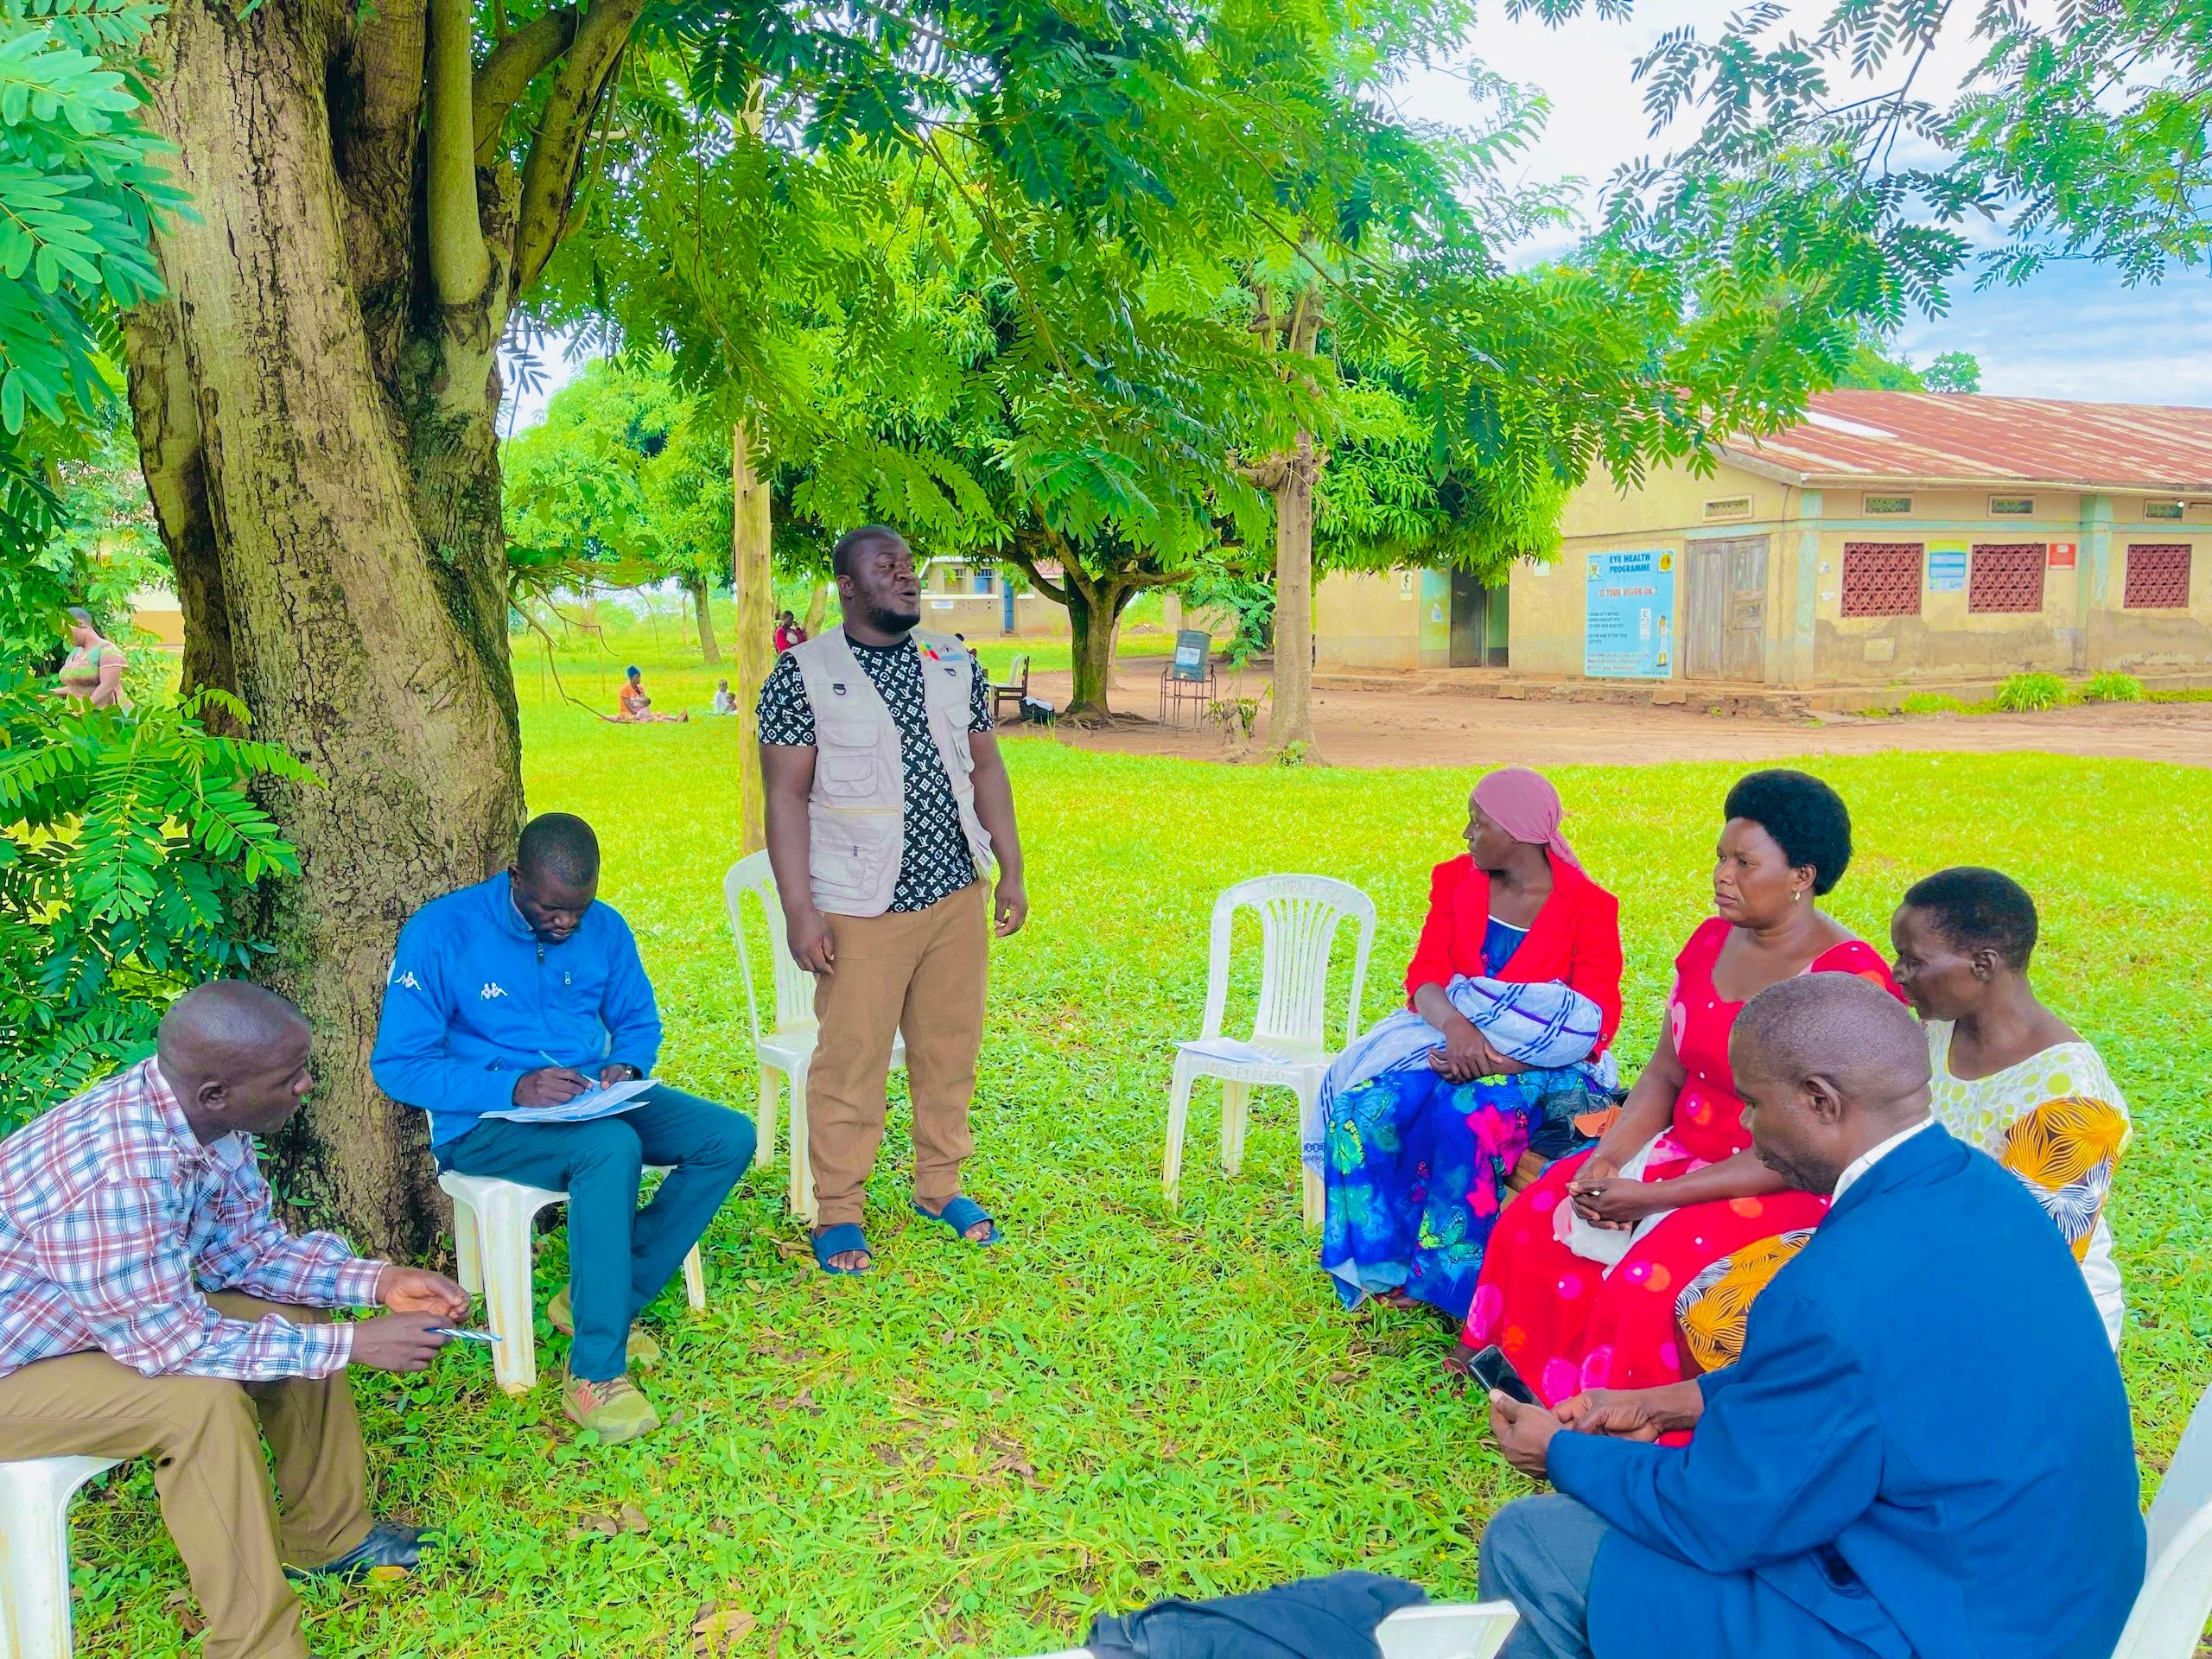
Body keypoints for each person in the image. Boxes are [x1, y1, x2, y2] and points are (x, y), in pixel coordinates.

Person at [1478, 972, 2144, 1659]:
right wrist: (1673, 1404)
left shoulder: (1828, 1286)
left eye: (1754, 1104)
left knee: (1533, 1540)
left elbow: (1723, 1517)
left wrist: (1561, 1453)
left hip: (1951, 1624)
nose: (1744, 1125)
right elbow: (1872, 1377)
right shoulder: (1989, 1192)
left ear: (1820, 1102)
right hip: (2066, 1589)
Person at [0, 982, 474, 1659]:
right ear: (216, 1092)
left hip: (91, 1329)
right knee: (194, 1404)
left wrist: (380, 1282)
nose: (306, 1086)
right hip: (15, 1371)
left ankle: (327, 1536)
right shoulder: (119, 1170)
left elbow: (246, 1252)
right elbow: (171, 1345)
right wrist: (350, 1343)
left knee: (292, 1315)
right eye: (290, 1078)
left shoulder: (206, 1121)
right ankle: (257, 1646)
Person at [1461, 769, 1902, 1404]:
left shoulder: (1847, 981)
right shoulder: (1709, 940)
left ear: (1802, 876)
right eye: (1721, 857)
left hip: (1778, 1177)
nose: (1723, 875)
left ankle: (1616, 1420)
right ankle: (1531, 1385)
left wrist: (1652, 1199)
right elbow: (1666, 1072)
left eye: (1745, 863)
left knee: (1647, 1280)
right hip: (1676, 1149)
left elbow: (1811, 1147)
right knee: (1535, 1216)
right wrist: (1608, 1158)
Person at [371, 813, 755, 1444]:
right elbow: (399, 1067)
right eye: (551, 909)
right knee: (611, 1147)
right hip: (484, 1121)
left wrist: (624, 1064)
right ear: (516, 876)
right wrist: (511, 1086)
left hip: (588, 1101)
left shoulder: (604, 928)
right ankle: (594, 1374)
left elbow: (638, 1021)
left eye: (579, 908)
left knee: (726, 1137)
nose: (567, 923)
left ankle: (598, 1299)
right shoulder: (443, 932)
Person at [758, 524, 1027, 1274]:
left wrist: (1011, 868)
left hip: (953, 894)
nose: (907, 577)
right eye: (888, 568)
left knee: (949, 1051)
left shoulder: (951, 662)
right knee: (852, 1061)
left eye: (910, 566)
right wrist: (801, 911)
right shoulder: (800, 675)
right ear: (849, 586)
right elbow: (785, 796)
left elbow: (986, 767)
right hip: (856, 905)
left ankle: (939, 1187)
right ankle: (839, 1208)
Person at [1318, 768, 1623, 1319]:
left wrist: (1495, 1060)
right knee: (1362, 1108)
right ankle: (1382, 1260)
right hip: (1452, 1041)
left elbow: (1597, 1021)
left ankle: (1449, 1285)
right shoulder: (1456, 881)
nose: (1467, 833)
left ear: (1518, 832)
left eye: (1478, 823)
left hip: (1544, 1063)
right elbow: (1426, 975)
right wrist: (1460, 1033)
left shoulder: (1588, 906)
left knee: (1467, 1115)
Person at [1891, 866, 2131, 1344]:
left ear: (1983, 965)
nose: (1898, 974)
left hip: (2021, 1317)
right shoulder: (1941, 1027)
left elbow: (2025, 1262)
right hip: (1923, 1246)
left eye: (1913, 960)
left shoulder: (2069, 1097)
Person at [49, 604, 130, 708]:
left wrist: (85, 709)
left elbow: (108, 686)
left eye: (67, 631)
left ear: (80, 624)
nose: (65, 636)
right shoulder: (74, 653)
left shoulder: (107, 650)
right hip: (74, 717)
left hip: (101, 718)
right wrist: (49, 693)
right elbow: (76, 688)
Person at [615, 664, 686, 722]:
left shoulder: (640, 688)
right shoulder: (624, 690)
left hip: (641, 711)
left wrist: (645, 710)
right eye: (636, 677)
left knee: (658, 713)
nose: (639, 679)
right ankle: (675, 720)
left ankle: (676, 718)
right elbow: (631, 710)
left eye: (639, 677)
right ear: (630, 678)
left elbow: (645, 702)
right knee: (650, 718)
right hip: (628, 714)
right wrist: (643, 713)